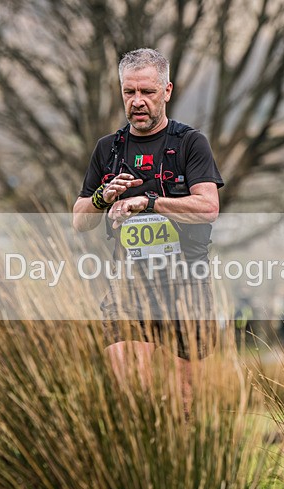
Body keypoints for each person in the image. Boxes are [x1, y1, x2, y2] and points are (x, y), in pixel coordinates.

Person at [72, 48, 224, 399]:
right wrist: (103, 198)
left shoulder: (190, 143)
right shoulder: (108, 148)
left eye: (147, 92)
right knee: (131, 394)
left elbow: (208, 207)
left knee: (184, 402)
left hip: (185, 285)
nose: (137, 101)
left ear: (167, 91)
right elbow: (80, 220)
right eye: (129, 92)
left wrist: (150, 202)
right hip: (129, 286)